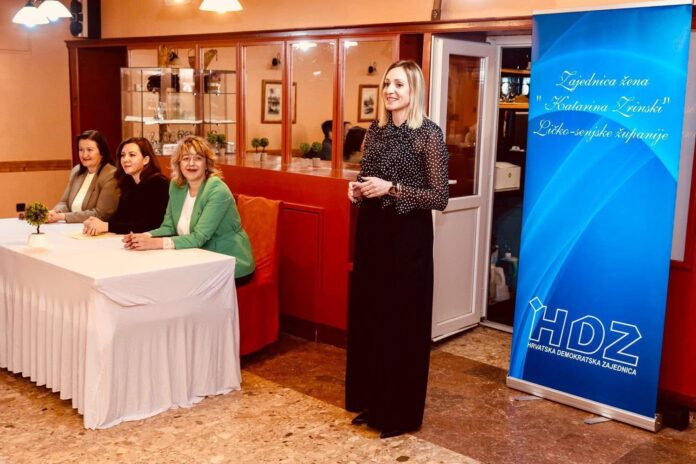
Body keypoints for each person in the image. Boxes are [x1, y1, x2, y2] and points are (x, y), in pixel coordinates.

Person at [345, 60, 449, 439]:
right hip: (373, 232)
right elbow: (367, 177)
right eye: (387, 84)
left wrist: (393, 189)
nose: (390, 90)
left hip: (407, 240)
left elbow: (440, 197)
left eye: (399, 85)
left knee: (401, 323)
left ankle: (399, 413)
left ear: (414, 90)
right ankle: (374, 403)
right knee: (372, 318)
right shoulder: (375, 130)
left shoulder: (428, 134)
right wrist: (357, 189)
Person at [123, 135, 255, 282]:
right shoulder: (177, 186)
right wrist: (143, 237)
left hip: (228, 262)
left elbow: (198, 238)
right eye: (186, 158)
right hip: (195, 258)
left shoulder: (217, 190)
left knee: (168, 281)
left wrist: (155, 243)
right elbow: (169, 227)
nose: (191, 163)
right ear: (178, 163)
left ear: (207, 163)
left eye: (197, 158)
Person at [82, 137, 169, 236]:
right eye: (122, 155)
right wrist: (98, 223)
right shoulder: (128, 182)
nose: (125, 159)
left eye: (132, 155)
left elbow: (149, 225)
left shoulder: (159, 184)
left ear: (146, 160)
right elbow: (121, 216)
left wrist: (107, 226)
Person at [47, 130, 119, 223]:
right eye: (81, 150)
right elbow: (64, 202)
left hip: (95, 229)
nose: (84, 155)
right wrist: (55, 213)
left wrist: (63, 216)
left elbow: (101, 214)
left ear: (102, 152)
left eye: (89, 150)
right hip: (72, 227)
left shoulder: (111, 175)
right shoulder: (76, 171)